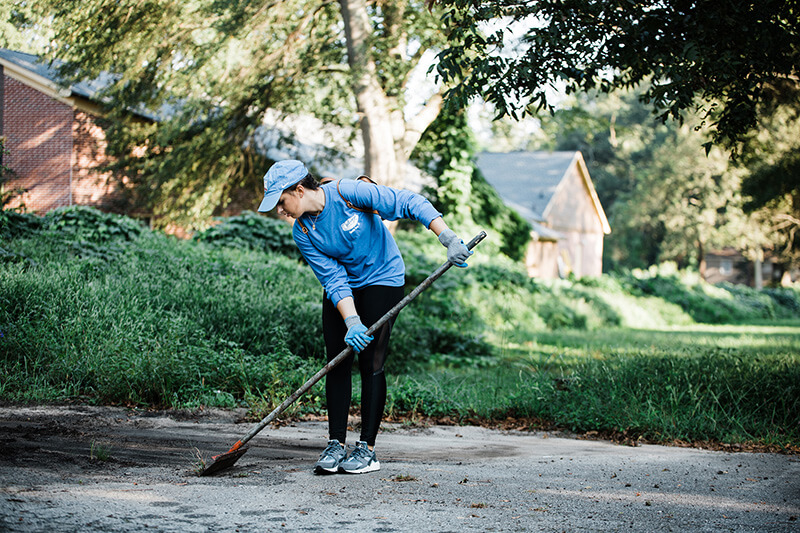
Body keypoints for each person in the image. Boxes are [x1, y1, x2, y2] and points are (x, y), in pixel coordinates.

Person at [257, 159, 471, 475]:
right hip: (347, 285)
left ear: (300, 190)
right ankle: (335, 444)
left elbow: (407, 202)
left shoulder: (349, 193)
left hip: (382, 277)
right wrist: (352, 321)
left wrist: (447, 237)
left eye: (281, 201)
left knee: (370, 361)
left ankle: (367, 450)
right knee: (337, 358)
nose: (280, 210)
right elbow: (332, 278)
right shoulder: (302, 231)